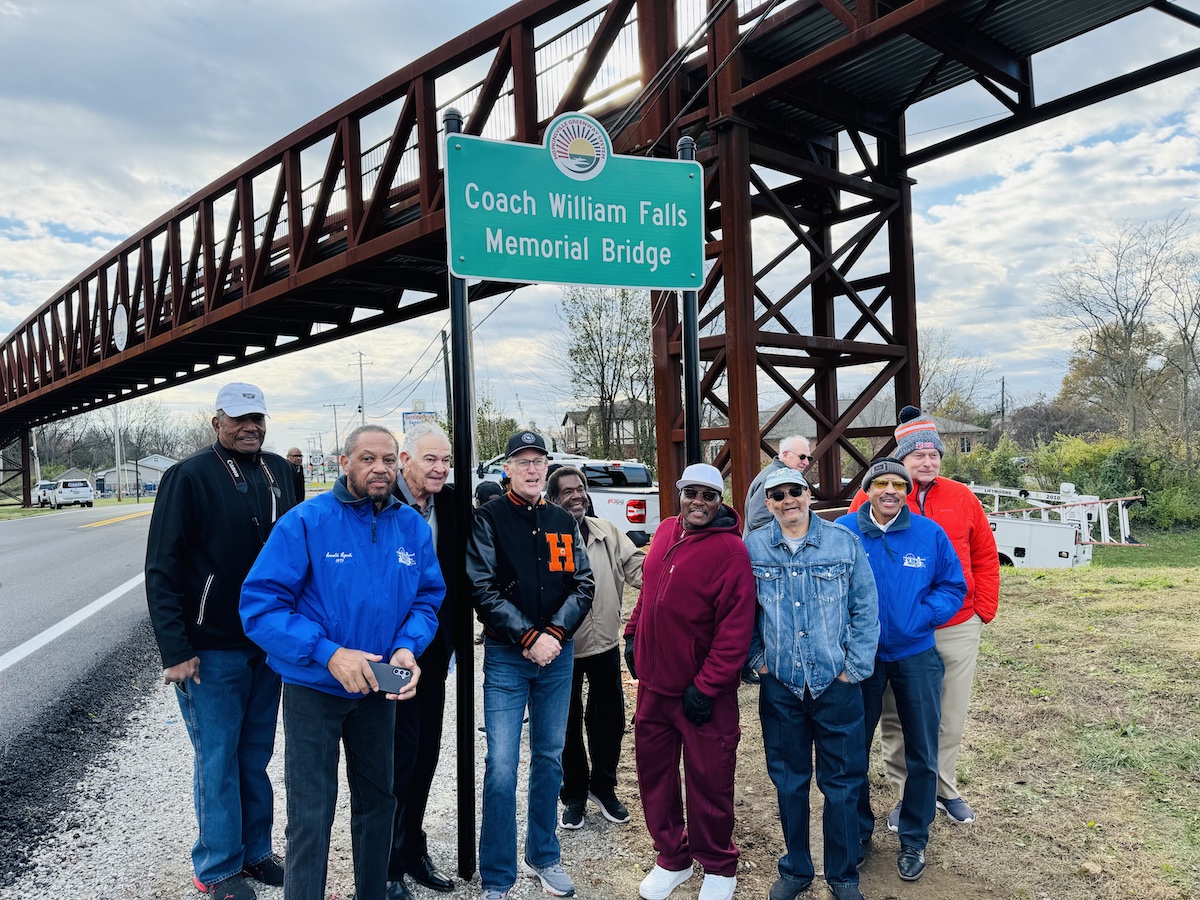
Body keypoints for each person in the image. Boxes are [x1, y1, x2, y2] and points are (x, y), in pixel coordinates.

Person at [239, 424, 445, 900]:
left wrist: (407, 648)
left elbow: (427, 599)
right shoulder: (306, 522)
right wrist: (327, 652)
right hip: (316, 688)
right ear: (344, 463)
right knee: (312, 814)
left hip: (379, 686)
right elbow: (260, 606)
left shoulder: (411, 526)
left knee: (378, 804)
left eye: (389, 460)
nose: (380, 468)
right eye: (368, 458)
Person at [144, 382, 298, 900]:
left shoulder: (280, 471)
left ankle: (255, 852)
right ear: (217, 423)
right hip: (210, 648)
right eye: (239, 419)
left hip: (268, 643)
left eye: (257, 417)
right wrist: (176, 650)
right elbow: (162, 570)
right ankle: (217, 867)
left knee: (254, 756)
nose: (250, 427)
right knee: (217, 758)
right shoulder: (187, 476)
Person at [849, 407, 1000, 830]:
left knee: (948, 713)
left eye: (934, 454)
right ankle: (905, 794)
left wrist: (982, 609)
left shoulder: (962, 497)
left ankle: (943, 787)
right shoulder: (879, 494)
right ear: (902, 458)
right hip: (896, 632)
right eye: (918, 455)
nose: (927, 461)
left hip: (955, 624)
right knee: (898, 717)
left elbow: (986, 557)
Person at [466, 430, 595, 900]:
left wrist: (554, 634)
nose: (531, 468)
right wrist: (527, 635)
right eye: (522, 460)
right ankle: (498, 876)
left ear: (546, 466)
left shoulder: (562, 518)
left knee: (549, 758)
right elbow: (481, 587)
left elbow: (583, 584)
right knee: (501, 764)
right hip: (507, 656)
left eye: (538, 460)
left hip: (556, 658)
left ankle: (543, 854)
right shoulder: (489, 518)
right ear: (507, 469)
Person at [744, 469, 878, 900]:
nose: (788, 500)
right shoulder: (753, 547)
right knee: (788, 780)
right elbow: (741, 612)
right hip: (781, 685)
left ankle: (842, 875)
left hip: (835, 684)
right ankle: (796, 868)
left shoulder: (843, 543)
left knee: (842, 783)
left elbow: (865, 608)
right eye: (777, 495)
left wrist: (852, 669)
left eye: (795, 491)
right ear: (768, 503)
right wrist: (760, 664)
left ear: (808, 494)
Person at [624, 463, 756, 900]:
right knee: (655, 777)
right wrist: (632, 634)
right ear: (679, 494)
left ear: (721, 502)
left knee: (709, 779)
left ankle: (718, 864)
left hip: (702, 694)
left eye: (709, 496)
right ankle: (672, 856)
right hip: (654, 689)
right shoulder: (664, 531)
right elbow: (649, 590)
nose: (698, 502)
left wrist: (708, 684)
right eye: (691, 493)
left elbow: (735, 629)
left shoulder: (731, 552)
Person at [837, 459, 966, 883]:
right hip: (861, 657)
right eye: (881, 483)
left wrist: (923, 616)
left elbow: (953, 586)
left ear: (907, 490)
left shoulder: (929, 534)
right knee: (852, 747)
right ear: (868, 489)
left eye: (898, 484)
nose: (890, 490)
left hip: (916, 653)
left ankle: (914, 837)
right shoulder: (844, 533)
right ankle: (858, 832)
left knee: (922, 751)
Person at [545, 465, 645, 830]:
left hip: (604, 644)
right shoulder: (543, 535)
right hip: (559, 649)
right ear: (553, 498)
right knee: (566, 724)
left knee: (609, 721)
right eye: (568, 491)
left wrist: (677, 569)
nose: (577, 495)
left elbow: (640, 570)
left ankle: (603, 788)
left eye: (580, 489)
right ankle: (573, 794)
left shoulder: (608, 533)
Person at [387, 423, 459, 900]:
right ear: (405, 459)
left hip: (433, 650)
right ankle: (386, 865)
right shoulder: (381, 502)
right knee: (394, 758)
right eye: (430, 459)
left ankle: (413, 848)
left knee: (426, 753)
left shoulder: (451, 505)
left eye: (445, 461)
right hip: (388, 652)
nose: (439, 469)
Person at [742, 435, 813, 536]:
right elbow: (758, 520)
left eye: (808, 458)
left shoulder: (770, 473)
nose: (806, 462)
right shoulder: (770, 478)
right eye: (802, 457)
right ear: (785, 454)